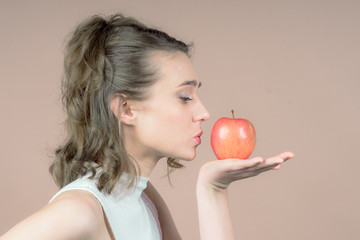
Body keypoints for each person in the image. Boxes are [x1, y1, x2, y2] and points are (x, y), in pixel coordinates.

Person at [0, 13, 294, 240]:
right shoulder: (81, 210)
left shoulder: (143, 196)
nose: (203, 112)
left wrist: (214, 189)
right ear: (126, 109)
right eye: (184, 97)